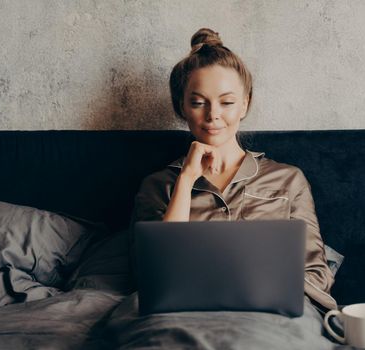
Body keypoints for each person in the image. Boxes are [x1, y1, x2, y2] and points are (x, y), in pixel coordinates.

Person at [128, 27, 338, 316]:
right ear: (182, 107)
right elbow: (150, 276)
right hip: (184, 319)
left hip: (269, 317)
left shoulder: (289, 180)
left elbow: (317, 275)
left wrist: (254, 286)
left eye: (226, 102)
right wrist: (186, 180)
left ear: (245, 104)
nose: (213, 114)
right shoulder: (157, 186)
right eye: (198, 102)